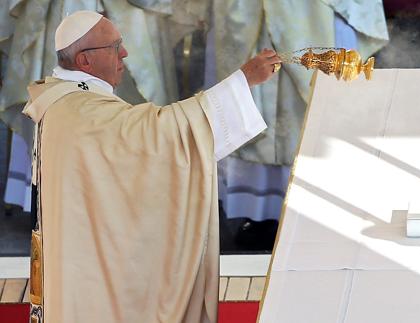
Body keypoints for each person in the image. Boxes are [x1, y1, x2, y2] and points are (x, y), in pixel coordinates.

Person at [23, 10, 281, 323]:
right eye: (115, 47)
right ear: (84, 61)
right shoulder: (80, 110)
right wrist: (243, 81)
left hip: (84, 254)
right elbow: (158, 135)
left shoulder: (66, 98)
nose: (125, 53)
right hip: (90, 276)